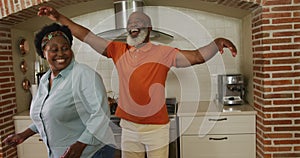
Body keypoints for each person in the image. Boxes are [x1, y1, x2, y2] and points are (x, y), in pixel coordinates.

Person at [37, 6, 237, 158]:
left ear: (148, 29)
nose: (134, 24)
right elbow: (86, 36)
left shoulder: (164, 53)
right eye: (131, 23)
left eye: (139, 21)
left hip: (156, 129)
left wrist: (217, 42)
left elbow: (196, 56)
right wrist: (59, 18)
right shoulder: (117, 50)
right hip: (129, 128)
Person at [2, 23, 115, 158]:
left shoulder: (84, 75)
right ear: (43, 53)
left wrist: (80, 144)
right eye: (54, 50)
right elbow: (47, 117)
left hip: (91, 153)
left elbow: (100, 115)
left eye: (65, 48)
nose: (61, 53)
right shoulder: (44, 80)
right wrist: (23, 135)